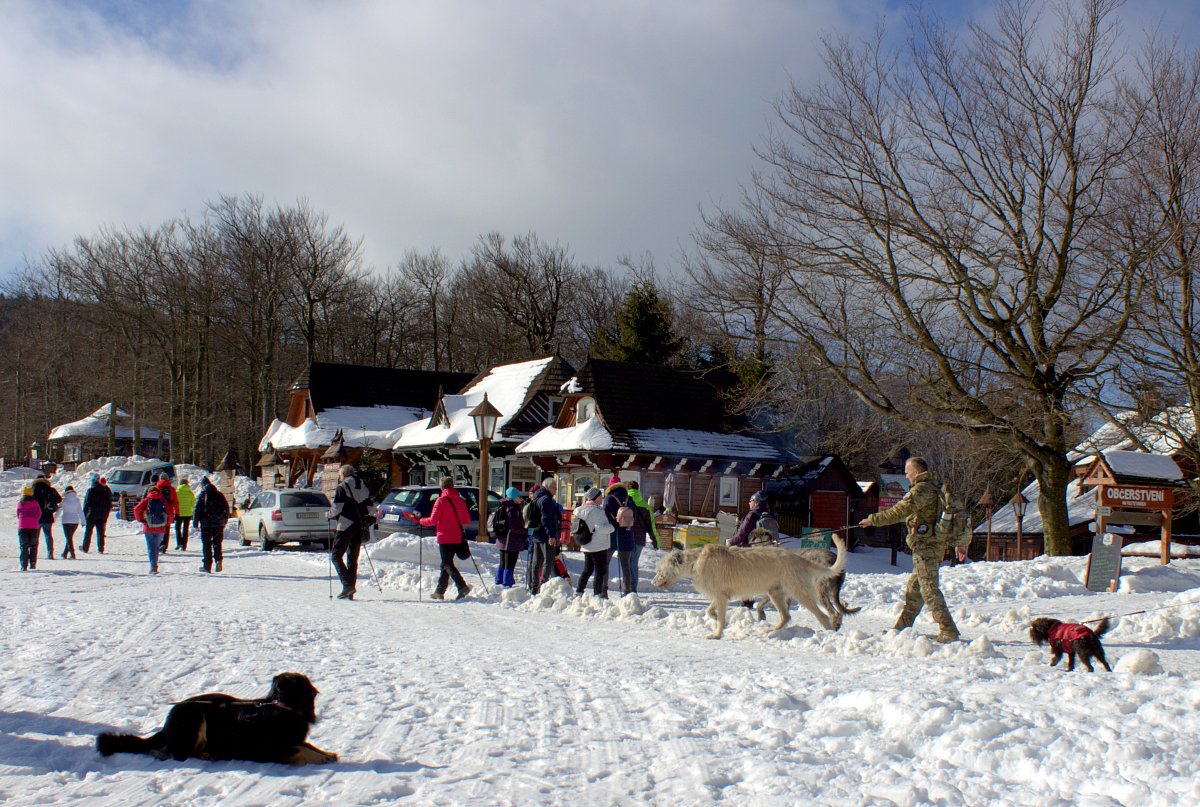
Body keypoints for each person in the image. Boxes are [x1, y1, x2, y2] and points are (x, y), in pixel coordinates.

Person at [858, 456, 963, 643]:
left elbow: (900, 511)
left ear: (916, 471)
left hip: (926, 548)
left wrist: (873, 520)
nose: (906, 476)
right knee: (914, 591)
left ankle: (948, 630)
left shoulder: (921, 489)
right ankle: (901, 629)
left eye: (907, 473)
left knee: (929, 590)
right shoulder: (935, 487)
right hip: (931, 546)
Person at [419, 476, 472, 600]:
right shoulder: (461, 501)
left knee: (447, 564)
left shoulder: (441, 501)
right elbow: (467, 520)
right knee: (445, 564)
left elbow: (433, 520)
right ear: (452, 485)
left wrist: (421, 520)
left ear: (442, 487)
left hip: (445, 536)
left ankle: (462, 586)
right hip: (457, 536)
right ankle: (439, 591)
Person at [328, 465, 372, 600]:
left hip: (345, 525)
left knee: (336, 556)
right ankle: (350, 592)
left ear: (344, 474)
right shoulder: (364, 486)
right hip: (360, 525)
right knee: (353, 559)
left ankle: (347, 585)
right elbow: (370, 507)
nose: (339, 478)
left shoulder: (342, 487)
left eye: (340, 475)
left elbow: (337, 508)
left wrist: (328, 515)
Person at [574, 486, 615, 597]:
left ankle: (579, 591)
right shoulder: (596, 511)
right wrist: (612, 526)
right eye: (600, 496)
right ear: (595, 497)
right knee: (600, 571)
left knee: (587, 570)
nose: (602, 498)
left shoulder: (582, 509)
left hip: (587, 544)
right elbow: (600, 528)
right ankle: (597, 594)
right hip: (598, 545)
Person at [527, 478, 562, 594]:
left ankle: (534, 587)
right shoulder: (546, 499)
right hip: (545, 536)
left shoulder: (537, 497)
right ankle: (543, 585)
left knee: (537, 562)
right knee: (548, 561)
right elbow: (546, 519)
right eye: (554, 488)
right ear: (549, 487)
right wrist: (551, 535)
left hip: (537, 534)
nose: (555, 490)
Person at [625, 480, 660, 593]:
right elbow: (651, 526)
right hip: (639, 539)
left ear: (628, 489)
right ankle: (633, 589)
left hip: (625, 537)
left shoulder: (623, 502)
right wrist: (655, 541)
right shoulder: (646, 506)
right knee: (633, 564)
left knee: (626, 564)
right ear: (638, 489)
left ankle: (626, 588)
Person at [603, 482, 635, 596]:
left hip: (612, 534)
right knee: (626, 566)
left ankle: (604, 590)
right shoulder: (630, 499)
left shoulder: (608, 499)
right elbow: (634, 517)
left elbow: (604, 516)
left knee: (605, 564)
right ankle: (627, 592)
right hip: (627, 534)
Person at [192, 477, 230, 574]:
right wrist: (224, 520)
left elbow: (197, 509)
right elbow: (226, 508)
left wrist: (195, 523)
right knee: (217, 543)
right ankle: (218, 560)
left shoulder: (203, 495)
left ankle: (207, 565)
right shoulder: (219, 495)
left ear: (203, 485)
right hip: (219, 524)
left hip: (206, 524)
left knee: (207, 545)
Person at [133, 484, 172, 574]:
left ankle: (153, 566)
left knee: (151, 547)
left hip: (148, 527)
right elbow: (170, 512)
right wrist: (167, 523)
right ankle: (155, 564)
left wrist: (141, 519)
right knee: (156, 546)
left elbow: (136, 509)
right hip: (161, 527)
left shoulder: (146, 500)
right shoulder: (163, 500)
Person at [492, 487, 527, 588]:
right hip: (510, 540)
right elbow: (514, 527)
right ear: (514, 497)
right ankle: (507, 582)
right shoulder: (512, 509)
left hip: (502, 539)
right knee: (510, 563)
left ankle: (499, 580)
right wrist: (526, 531)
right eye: (519, 496)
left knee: (503, 562)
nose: (521, 499)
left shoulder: (504, 505)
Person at [31, 474, 62, 561]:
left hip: (36, 517)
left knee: (35, 536)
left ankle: (34, 553)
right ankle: (50, 553)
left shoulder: (33, 489)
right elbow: (59, 499)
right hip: (48, 515)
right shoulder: (51, 489)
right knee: (48, 535)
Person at [82, 476, 112, 553]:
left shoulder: (91, 490)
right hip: (102, 515)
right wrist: (106, 514)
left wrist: (84, 515)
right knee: (100, 532)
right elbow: (109, 504)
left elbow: (87, 503)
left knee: (89, 532)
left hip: (92, 514)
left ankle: (85, 548)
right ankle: (101, 549)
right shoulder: (107, 490)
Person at [17, 486, 42, 571]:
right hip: (34, 527)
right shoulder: (35, 503)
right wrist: (34, 520)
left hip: (22, 526)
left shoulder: (20, 503)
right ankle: (33, 564)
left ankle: (24, 565)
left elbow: (18, 514)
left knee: (24, 546)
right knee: (34, 546)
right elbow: (39, 514)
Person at [154, 475, 180, 553]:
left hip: (158, 511)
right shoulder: (172, 489)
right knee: (166, 529)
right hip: (168, 512)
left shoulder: (156, 488)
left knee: (158, 528)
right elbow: (175, 502)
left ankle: (159, 544)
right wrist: (177, 513)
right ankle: (164, 545)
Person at [59, 485, 83, 559]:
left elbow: (59, 510)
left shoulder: (64, 500)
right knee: (69, 537)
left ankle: (72, 554)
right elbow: (80, 511)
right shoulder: (77, 500)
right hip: (75, 521)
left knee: (68, 538)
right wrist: (83, 521)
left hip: (66, 520)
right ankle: (64, 553)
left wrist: (54, 519)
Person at [174, 480, 196, 551]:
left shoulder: (176, 492)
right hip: (188, 513)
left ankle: (179, 542)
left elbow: (174, 502)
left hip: (178, 513)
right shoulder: (190, 493)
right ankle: (184, 545)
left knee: (177, 528)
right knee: (185, 529)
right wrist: (191, 510)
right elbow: (193, 503)